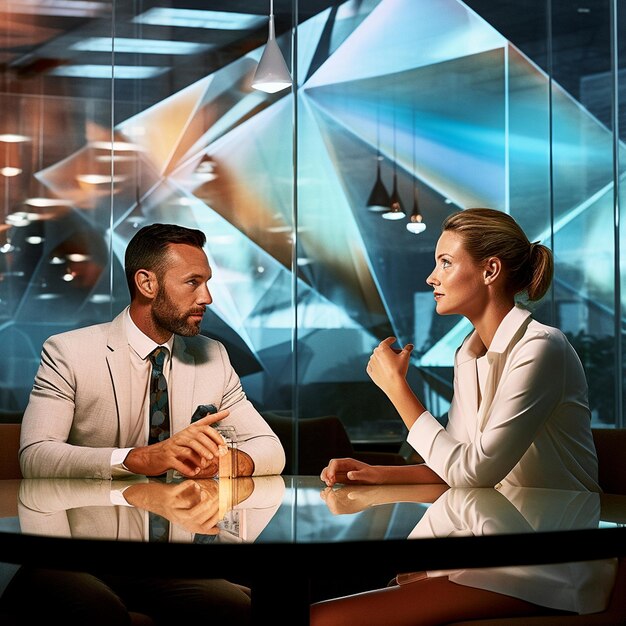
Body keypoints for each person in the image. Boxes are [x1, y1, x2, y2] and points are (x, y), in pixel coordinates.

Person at [312, 207, 600, 625]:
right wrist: (377, 473)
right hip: (487, 544)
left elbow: (474, 471)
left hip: (547, 561)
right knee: (337, 602)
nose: (432, 277)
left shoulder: (542, 348)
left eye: (445, 262)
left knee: (323, 619)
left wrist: (398, 390)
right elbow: (457, 464)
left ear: (490, 270)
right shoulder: (469, 353)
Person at [11, 222, 286, 625]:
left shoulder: (214, 356)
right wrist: (138, 459)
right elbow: (35, 456)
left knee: (243, 611)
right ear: (147, 283)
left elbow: (271, 448)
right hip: (74, 553)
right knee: (100, 612)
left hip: (167, 560)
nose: (207, 297)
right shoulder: (69, 352)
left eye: (207, 282)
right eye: (193, 282)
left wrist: (224, 462)